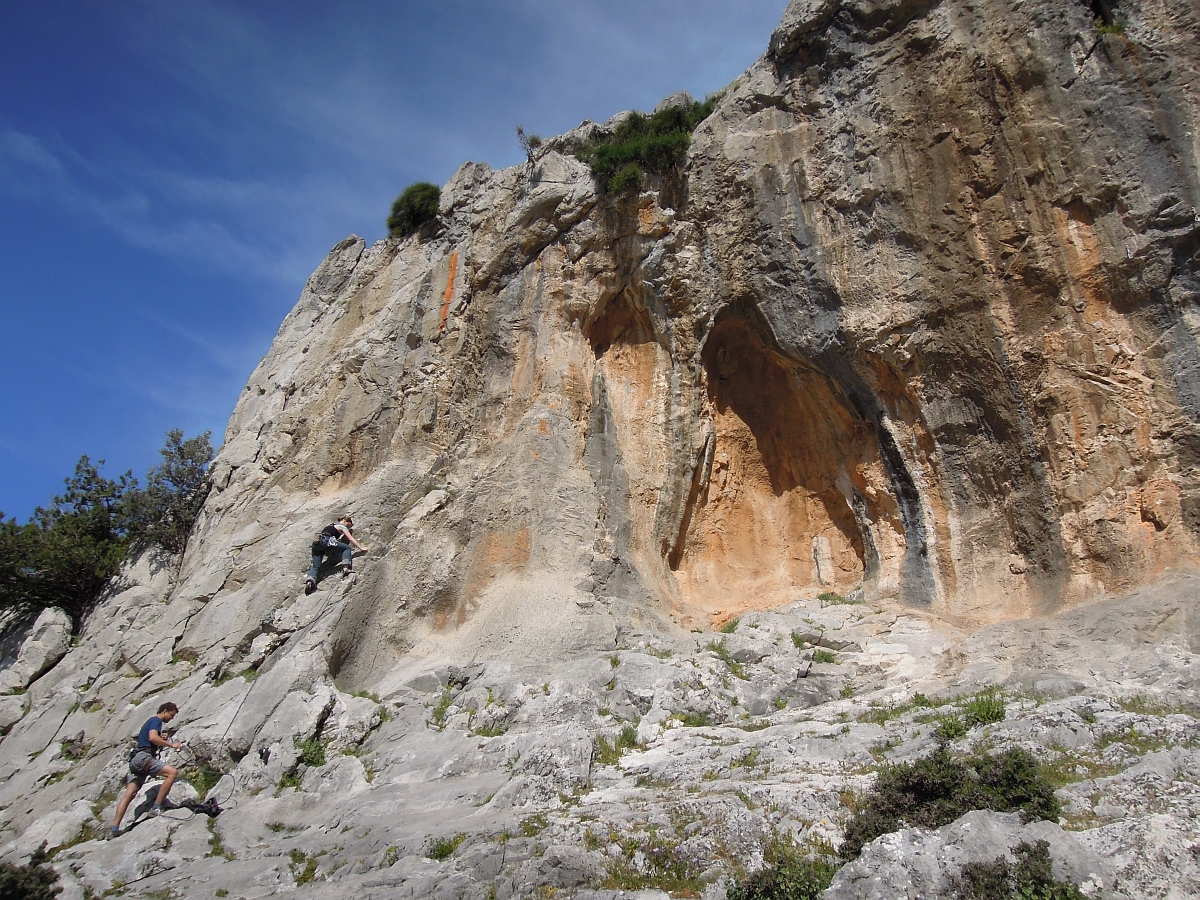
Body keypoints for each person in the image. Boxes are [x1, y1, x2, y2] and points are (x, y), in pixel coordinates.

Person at [110, 702, 183, 836]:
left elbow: (151, 739)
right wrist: (172, 745)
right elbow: (153, 738)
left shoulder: (151, 722)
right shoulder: (156, 720)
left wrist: (162, 739)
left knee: (130, 794)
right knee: (172, 773)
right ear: (165, 710)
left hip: (135, 760)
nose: (171, 719)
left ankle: (114, 829)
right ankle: (156, 807)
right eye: (171, 715)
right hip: (144, 757)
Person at [305, 516, 369, 594]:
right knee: (347, 548)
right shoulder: (342, 526)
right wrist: (361, 548)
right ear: (345, 521)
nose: (348, 528)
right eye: (348, 526)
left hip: (317, 544)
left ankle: (310, 582)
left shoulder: (330, 525)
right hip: (326, 540)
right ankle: (346, 569)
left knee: (316, 566)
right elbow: (351, 539)